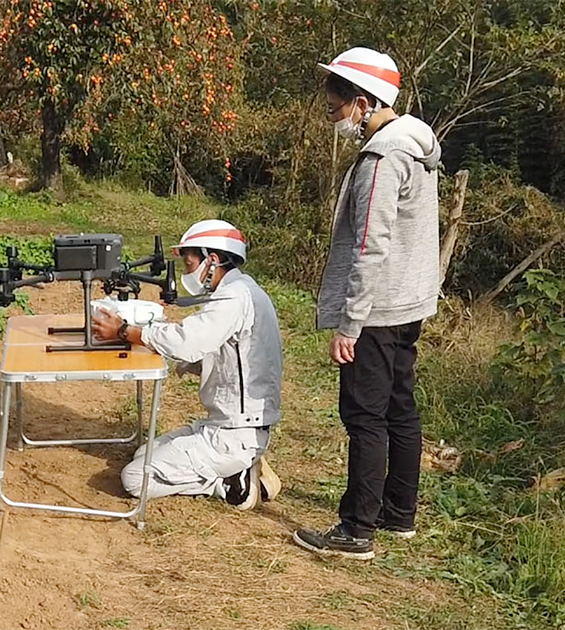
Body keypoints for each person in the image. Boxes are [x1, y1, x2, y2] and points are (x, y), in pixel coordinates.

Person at [291, 47, 441, 560]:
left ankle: (356, 531)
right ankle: (399, 514)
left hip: (376, 310)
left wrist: (349, 324)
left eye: (336, 107)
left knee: (364, 417)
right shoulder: (417, 145)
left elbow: (369, 244)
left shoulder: (383, 156)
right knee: (400, 410)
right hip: (409, 303)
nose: (334, 116)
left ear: (362, 101)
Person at [91, 219, 284, 510]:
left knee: (134, 478)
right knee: (143, 456)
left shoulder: (233, 298)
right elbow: (211, 352)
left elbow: (187, 342)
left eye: (190, 263)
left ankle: (231, 483)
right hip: (225, 425)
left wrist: (125, 331)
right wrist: (154, 338)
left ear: (213, 259)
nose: (186, 272)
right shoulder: (242, 290)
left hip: (233, 434)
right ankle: (237, 466)